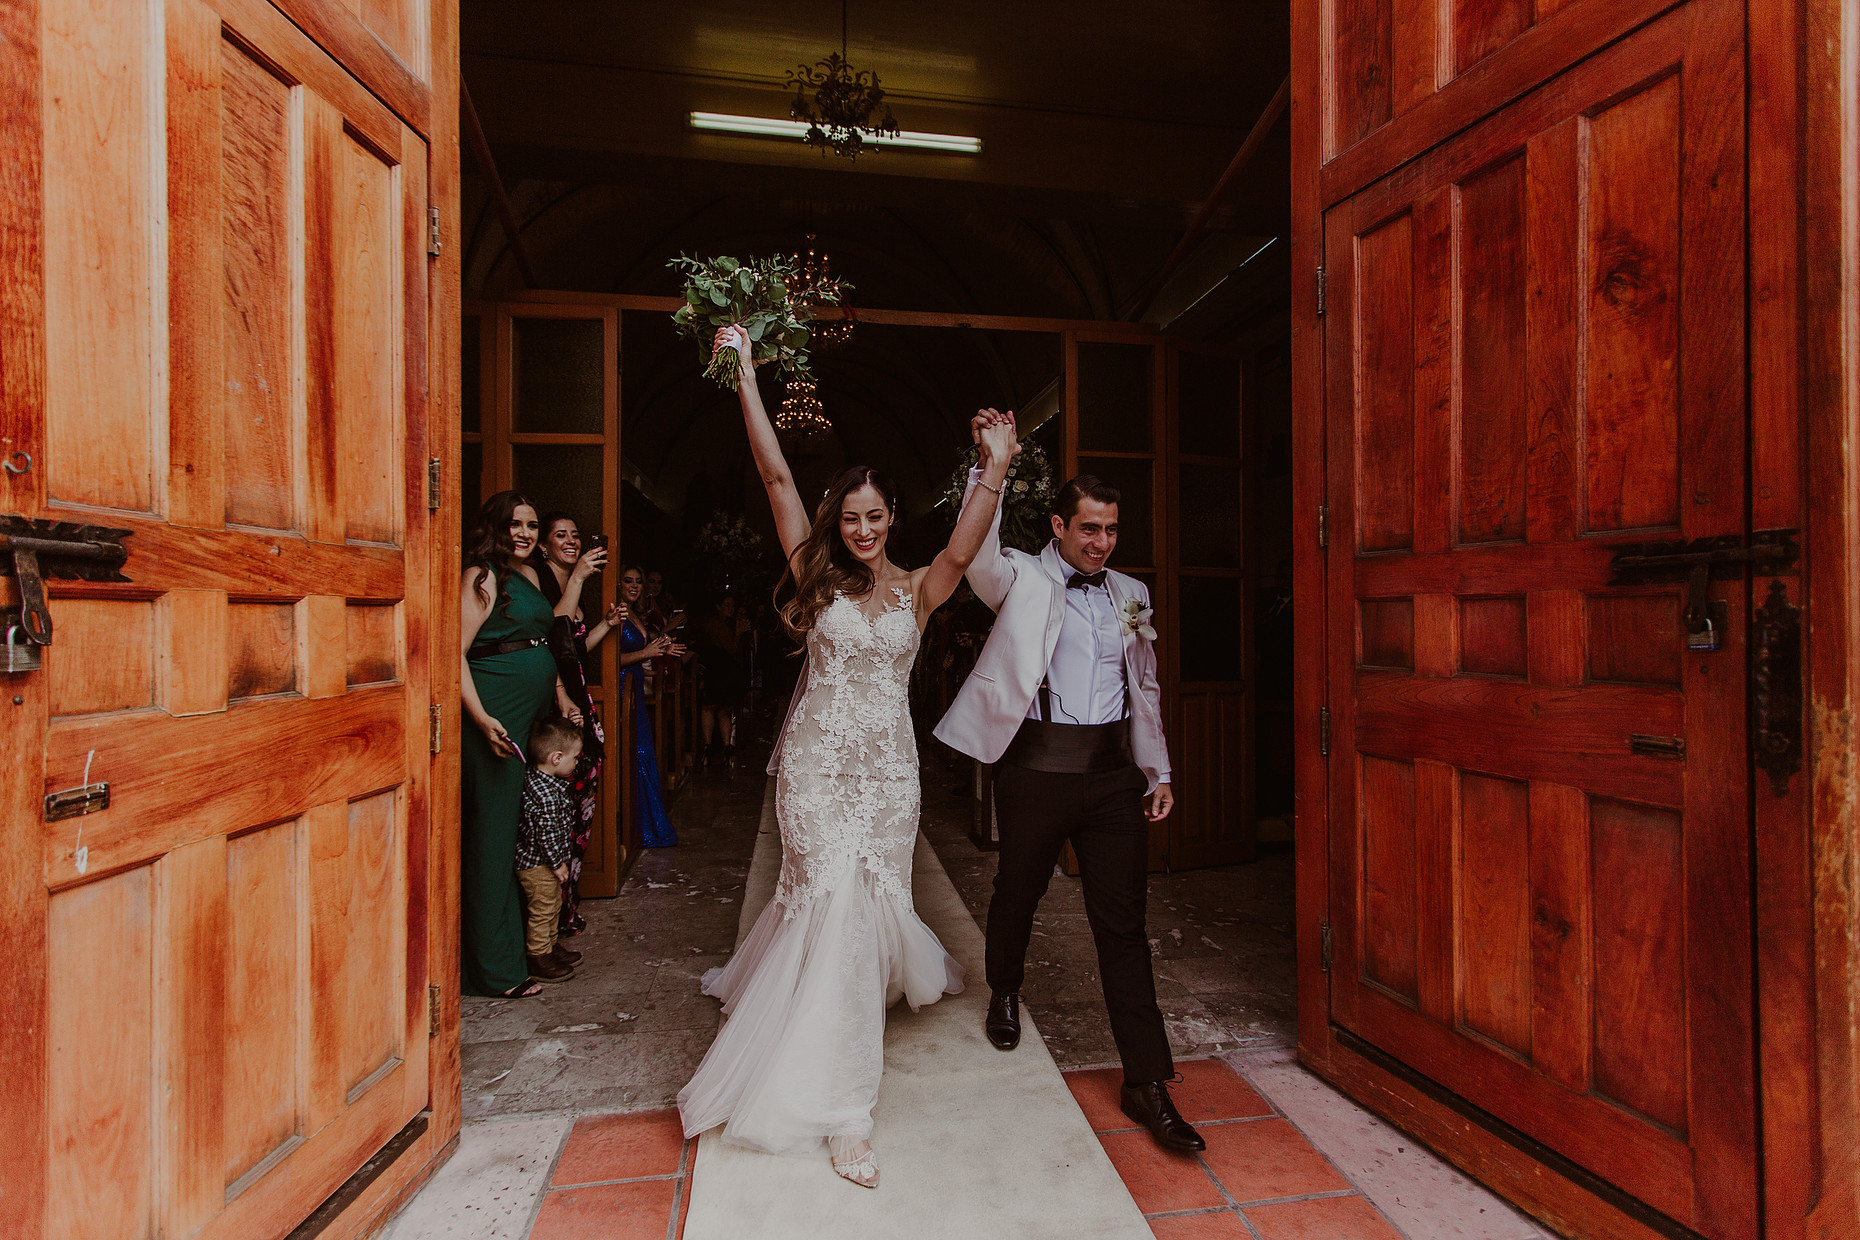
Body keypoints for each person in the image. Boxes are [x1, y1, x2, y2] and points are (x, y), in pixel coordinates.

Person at [677, 324, 1018, 1189]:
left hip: (888, 781)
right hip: (817, 771)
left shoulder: (919, 589)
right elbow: (777, 475)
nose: (862, 529)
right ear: (837, 521)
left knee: (862, 908)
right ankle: (843, 1108)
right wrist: (745, 375)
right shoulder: (814, 575)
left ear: (891, 518)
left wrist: (997, 465)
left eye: (875, 517)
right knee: (827, 894)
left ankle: (825, 1025)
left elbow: (965, 546)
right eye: (851, 517)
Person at [932, 472, 1201, 1154]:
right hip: (1036, 769)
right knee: (1017, 892)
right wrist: (987, 470)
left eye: (1111, 529)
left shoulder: (1130, 594)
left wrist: (1157, 769)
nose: (1101, 543)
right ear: (1058, 526)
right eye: (1088, 528)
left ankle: (1146, 1081)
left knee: (1124, 927)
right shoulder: (1018, 577)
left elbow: (1144, 685)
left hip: (1112, 776)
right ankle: (1003, 990)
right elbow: (975, 553)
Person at [460, 491, 583, 999]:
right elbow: (454, 652)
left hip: (531, 712)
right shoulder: (481, 576)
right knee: (494, 837)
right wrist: (482, 717)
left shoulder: (530, 576)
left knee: (525, 835)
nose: (525, 534)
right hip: (496, 714)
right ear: (496, 527)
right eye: (516, 524)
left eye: (533, 525)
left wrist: (560, 696)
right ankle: (495, 971)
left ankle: (531, 946)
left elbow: (542, 642)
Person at [534, 513, 626, 936]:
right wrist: (579, 579)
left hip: (578, 701)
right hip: (555, 707)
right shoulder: (540, 584)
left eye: (575, 534)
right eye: (560, 535)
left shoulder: (572, 587)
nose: (571, 541)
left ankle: (566, 906)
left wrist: (606, 624)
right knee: (554, 806)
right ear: (543, 546)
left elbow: (573, 649)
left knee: (578, 806)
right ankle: (552, 915)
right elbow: (550, 639)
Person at [617, 565, 685, 847]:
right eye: (628, 581)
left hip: (635, 684)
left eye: (638, 581)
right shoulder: (615, 613)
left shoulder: (632, 612)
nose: (634, 586)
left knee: (642, 751)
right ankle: (637, 827)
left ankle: (645, 825)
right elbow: (609, 660)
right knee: (636, 751)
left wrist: (660, 648)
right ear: (617, 583)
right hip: (621, 687)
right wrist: (647, 652)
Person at [514, 716, 585, 983]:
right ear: (556, 758)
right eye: (575, 757)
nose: (577, 762)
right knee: (543, 907)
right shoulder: (545, 795)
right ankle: (539, 956)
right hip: (538, 864)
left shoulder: (544, 782)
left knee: (554, 903)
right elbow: (545, 835)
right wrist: (557, 864)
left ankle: (550, 946)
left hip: (544, 861)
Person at [695, 593, 752, 771]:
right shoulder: (714, 624)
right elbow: (730, 647)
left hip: (728, 674)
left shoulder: (730, 623)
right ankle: (709, 746)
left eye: (732, 606)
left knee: (724, 711)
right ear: (718, 607)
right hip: (716, 672)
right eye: (726, 606)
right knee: (710, 708)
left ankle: (727, 747)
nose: (730, 609)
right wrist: (738, 633)